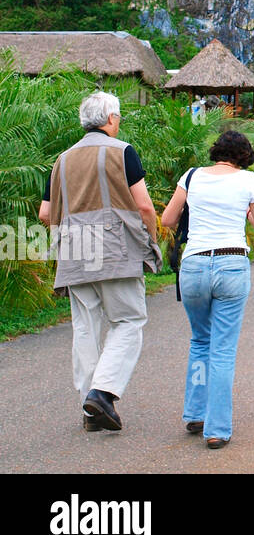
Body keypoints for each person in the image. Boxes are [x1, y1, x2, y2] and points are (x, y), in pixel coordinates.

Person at [38, 91, 161, 434]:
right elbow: (146, 207)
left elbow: (45, 213)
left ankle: (91, 411)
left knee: (85, 329)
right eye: (118, 118)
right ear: (110, 119)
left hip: (74, 252)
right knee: (128, 320)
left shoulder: (61, 159)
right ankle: (102, 393)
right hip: (114, 248)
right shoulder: (122, 152)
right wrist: (149, 241)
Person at [160, 130, 254, 449]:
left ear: (217, 151)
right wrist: (246, 213)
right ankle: (217, 429)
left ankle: (195, 413)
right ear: (245, 156)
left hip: (194, 266)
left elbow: (168, 219)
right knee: (222, 348)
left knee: (200, 340)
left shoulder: (192, 176)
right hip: (231, 265)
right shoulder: (248, 181)